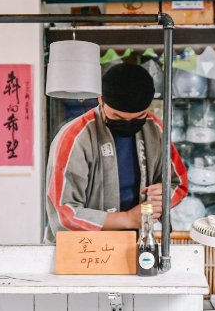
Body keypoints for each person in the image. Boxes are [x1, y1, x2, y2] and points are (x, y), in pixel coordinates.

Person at [45, 63, 188, 242]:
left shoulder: (155, 129)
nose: (128, 123)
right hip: (82, 250)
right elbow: (63, 214)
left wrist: (163, 195)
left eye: (138, 118)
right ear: (100, 99)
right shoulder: (74, 138)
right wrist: (127, 219)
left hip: (136, 242)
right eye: (117, 117)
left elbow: (179, 183)